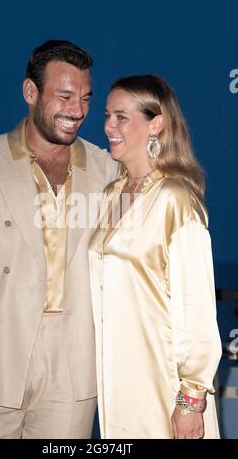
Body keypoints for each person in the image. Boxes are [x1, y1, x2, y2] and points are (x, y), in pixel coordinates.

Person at [0, 40, 119, 439]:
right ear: (30, 92)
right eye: (65, 96)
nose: (77, 110)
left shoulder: (107, 170)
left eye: (86, 98)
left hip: (73, 369)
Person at [88, 74, 222, 439]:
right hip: (118, 383)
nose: (107, 126)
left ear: (156, 124)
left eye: (121, 117)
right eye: (106, 116)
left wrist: (191, 398)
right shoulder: (111, 195)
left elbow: (195, 306)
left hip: (164, 389)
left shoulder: (176, 198)